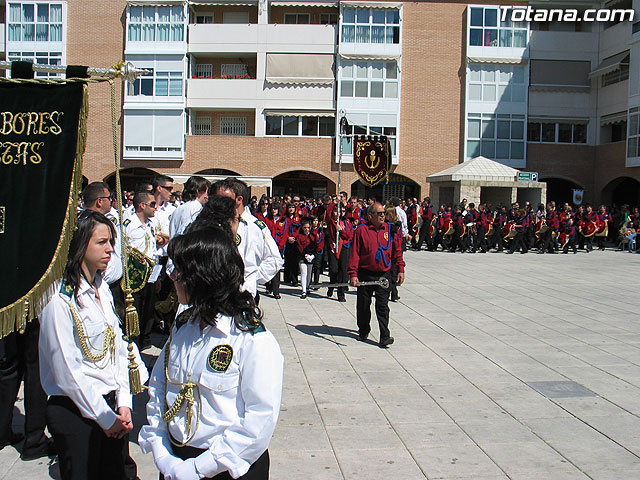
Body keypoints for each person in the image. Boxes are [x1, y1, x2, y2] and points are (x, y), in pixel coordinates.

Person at [139, 228, 284, 480]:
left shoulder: (252, 340)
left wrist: (198, 468)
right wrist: (162, 452)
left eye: (181, 271)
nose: (173, 276)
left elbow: (259, 420)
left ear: (203, 277)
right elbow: (159, 387)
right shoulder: (182, 326)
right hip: (176, 461)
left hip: (227, 466)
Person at [39, 211, 136, 480]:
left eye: (111, 242)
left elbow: (117, 348)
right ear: (80, 245)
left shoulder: (102, 288)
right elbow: (67, 371)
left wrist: (124, 401)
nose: (110, 249)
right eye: (101, 242)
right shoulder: (58, 299)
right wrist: (105, 418)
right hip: (77, 412)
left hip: (111, 408)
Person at [214, 178, 283, 299]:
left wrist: (251, 278)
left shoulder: (254, 226)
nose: (218, 203)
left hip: (242, 295)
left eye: (223, 199)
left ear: (239, 200)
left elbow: (275, 260)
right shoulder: (213, 222)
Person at [348, 203, 405, 348]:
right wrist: (353, 273)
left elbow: (397, 251)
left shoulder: (390, 229)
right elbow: (355, 253)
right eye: (379, 213)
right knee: (363, 305)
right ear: (370, 215)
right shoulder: (361, 230)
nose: (382, 216)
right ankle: (363, 330)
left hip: (384, 274)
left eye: (383, 213)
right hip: (365, 273)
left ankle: (384, 335)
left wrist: (400, 269)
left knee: (382, 306)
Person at [294, 217, 317, 299]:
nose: (307, 229)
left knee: (309, 273)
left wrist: (313, 255)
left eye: (308, 227)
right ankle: (303, 290)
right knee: (304, 273)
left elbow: (315, 246)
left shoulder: (313, 236)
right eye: (305, 228)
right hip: (302, 257)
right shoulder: (300, 236)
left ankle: (307, 287)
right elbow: (300, 246)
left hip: (311, 256)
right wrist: (305, 255)